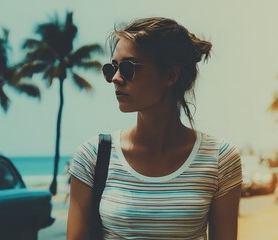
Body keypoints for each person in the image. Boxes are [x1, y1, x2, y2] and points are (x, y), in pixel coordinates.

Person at [67, 17, 242, 240]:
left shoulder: (220, 159)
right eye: (112, 68)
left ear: (170, 75)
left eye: (129, 68)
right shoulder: (92, 156)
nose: (116, 79)